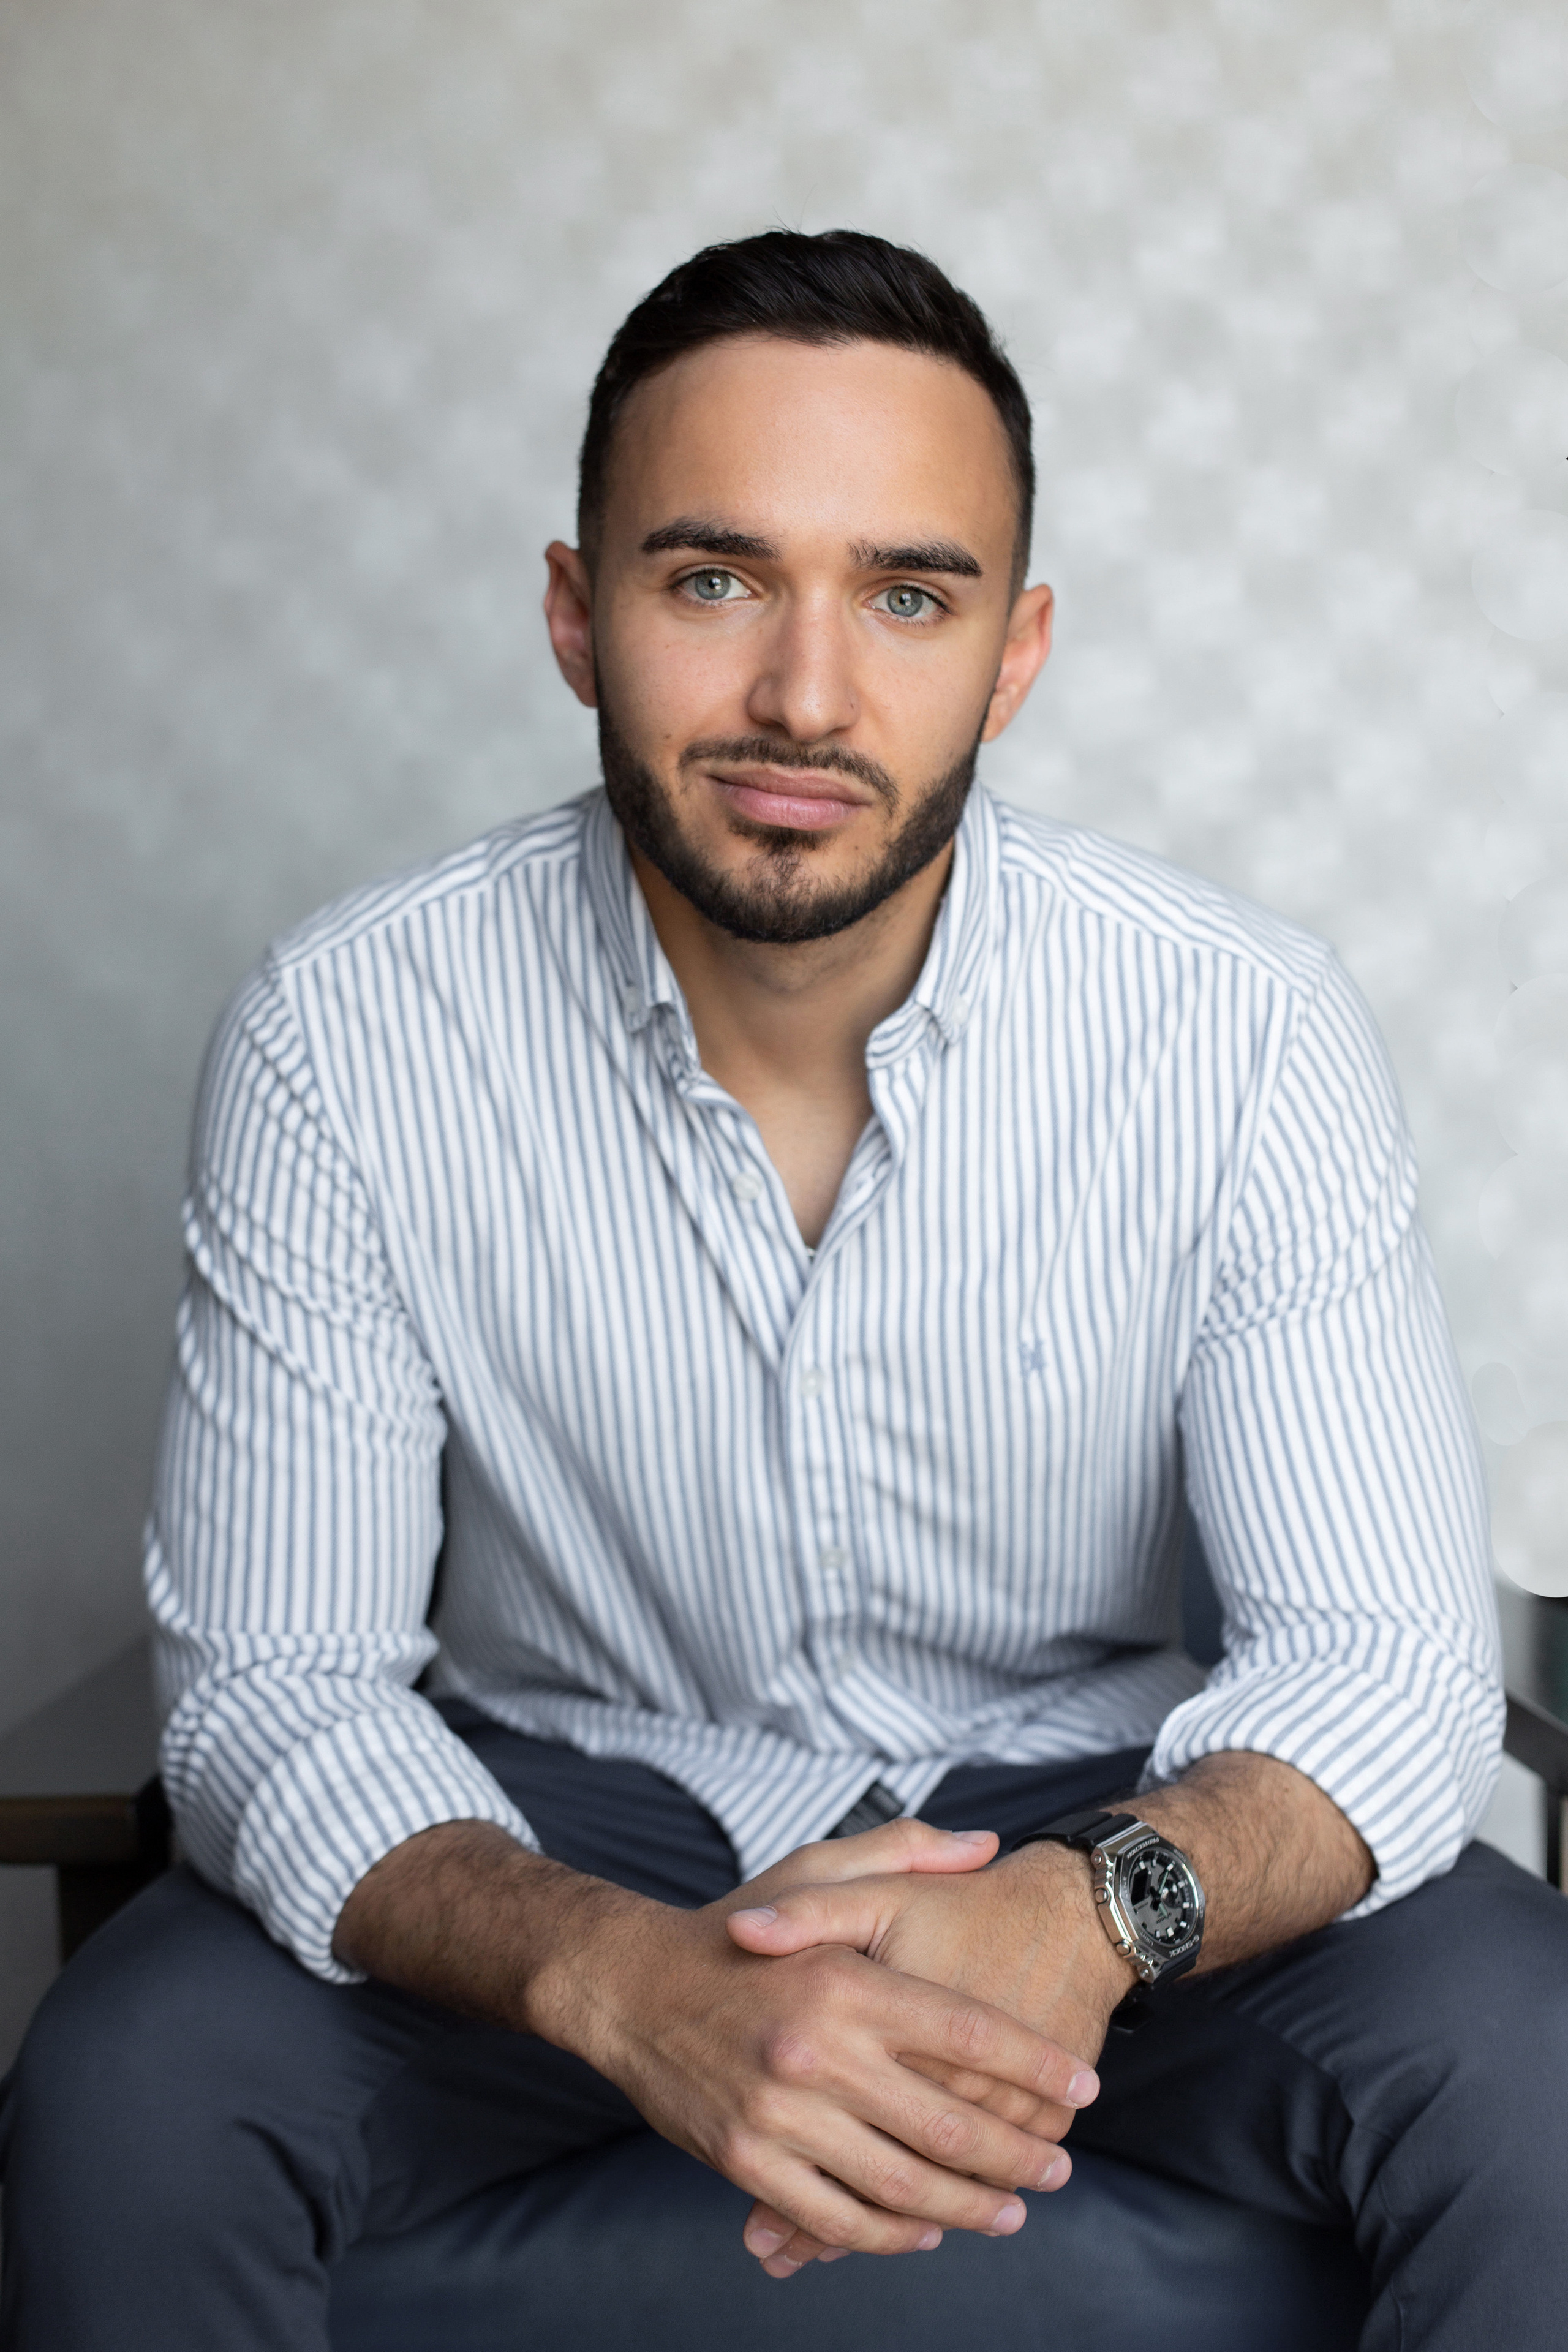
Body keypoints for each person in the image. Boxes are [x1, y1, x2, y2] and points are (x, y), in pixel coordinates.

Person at [1, 228, 1560, 2352]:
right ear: (577, 613)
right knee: (133, 2092)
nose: (807, 697)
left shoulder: (1243, 1028)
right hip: (563, 1812)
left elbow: (1382, 1663)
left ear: (1012, 656)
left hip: (1095, 1815)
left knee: (1530, 2062)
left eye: (907, 596)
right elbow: (279, 1684)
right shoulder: (346, 1035)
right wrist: (610, 1977)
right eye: (713, 578)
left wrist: (1085, 1917)